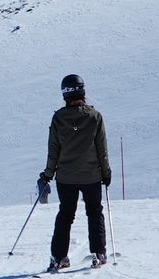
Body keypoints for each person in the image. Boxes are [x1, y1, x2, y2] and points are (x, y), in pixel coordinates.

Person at [38, 74, 111, 273]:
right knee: (94, 212)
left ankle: (59, 257)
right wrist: (106, 173)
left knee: (65, 215)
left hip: (66, 178)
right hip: (91, 176)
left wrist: (48, 174)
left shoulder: (58, 118)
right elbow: (101, 150)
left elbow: (54, 150)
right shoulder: (95, 117)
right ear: (83, 90)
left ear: (64, 94)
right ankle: (99, 252)